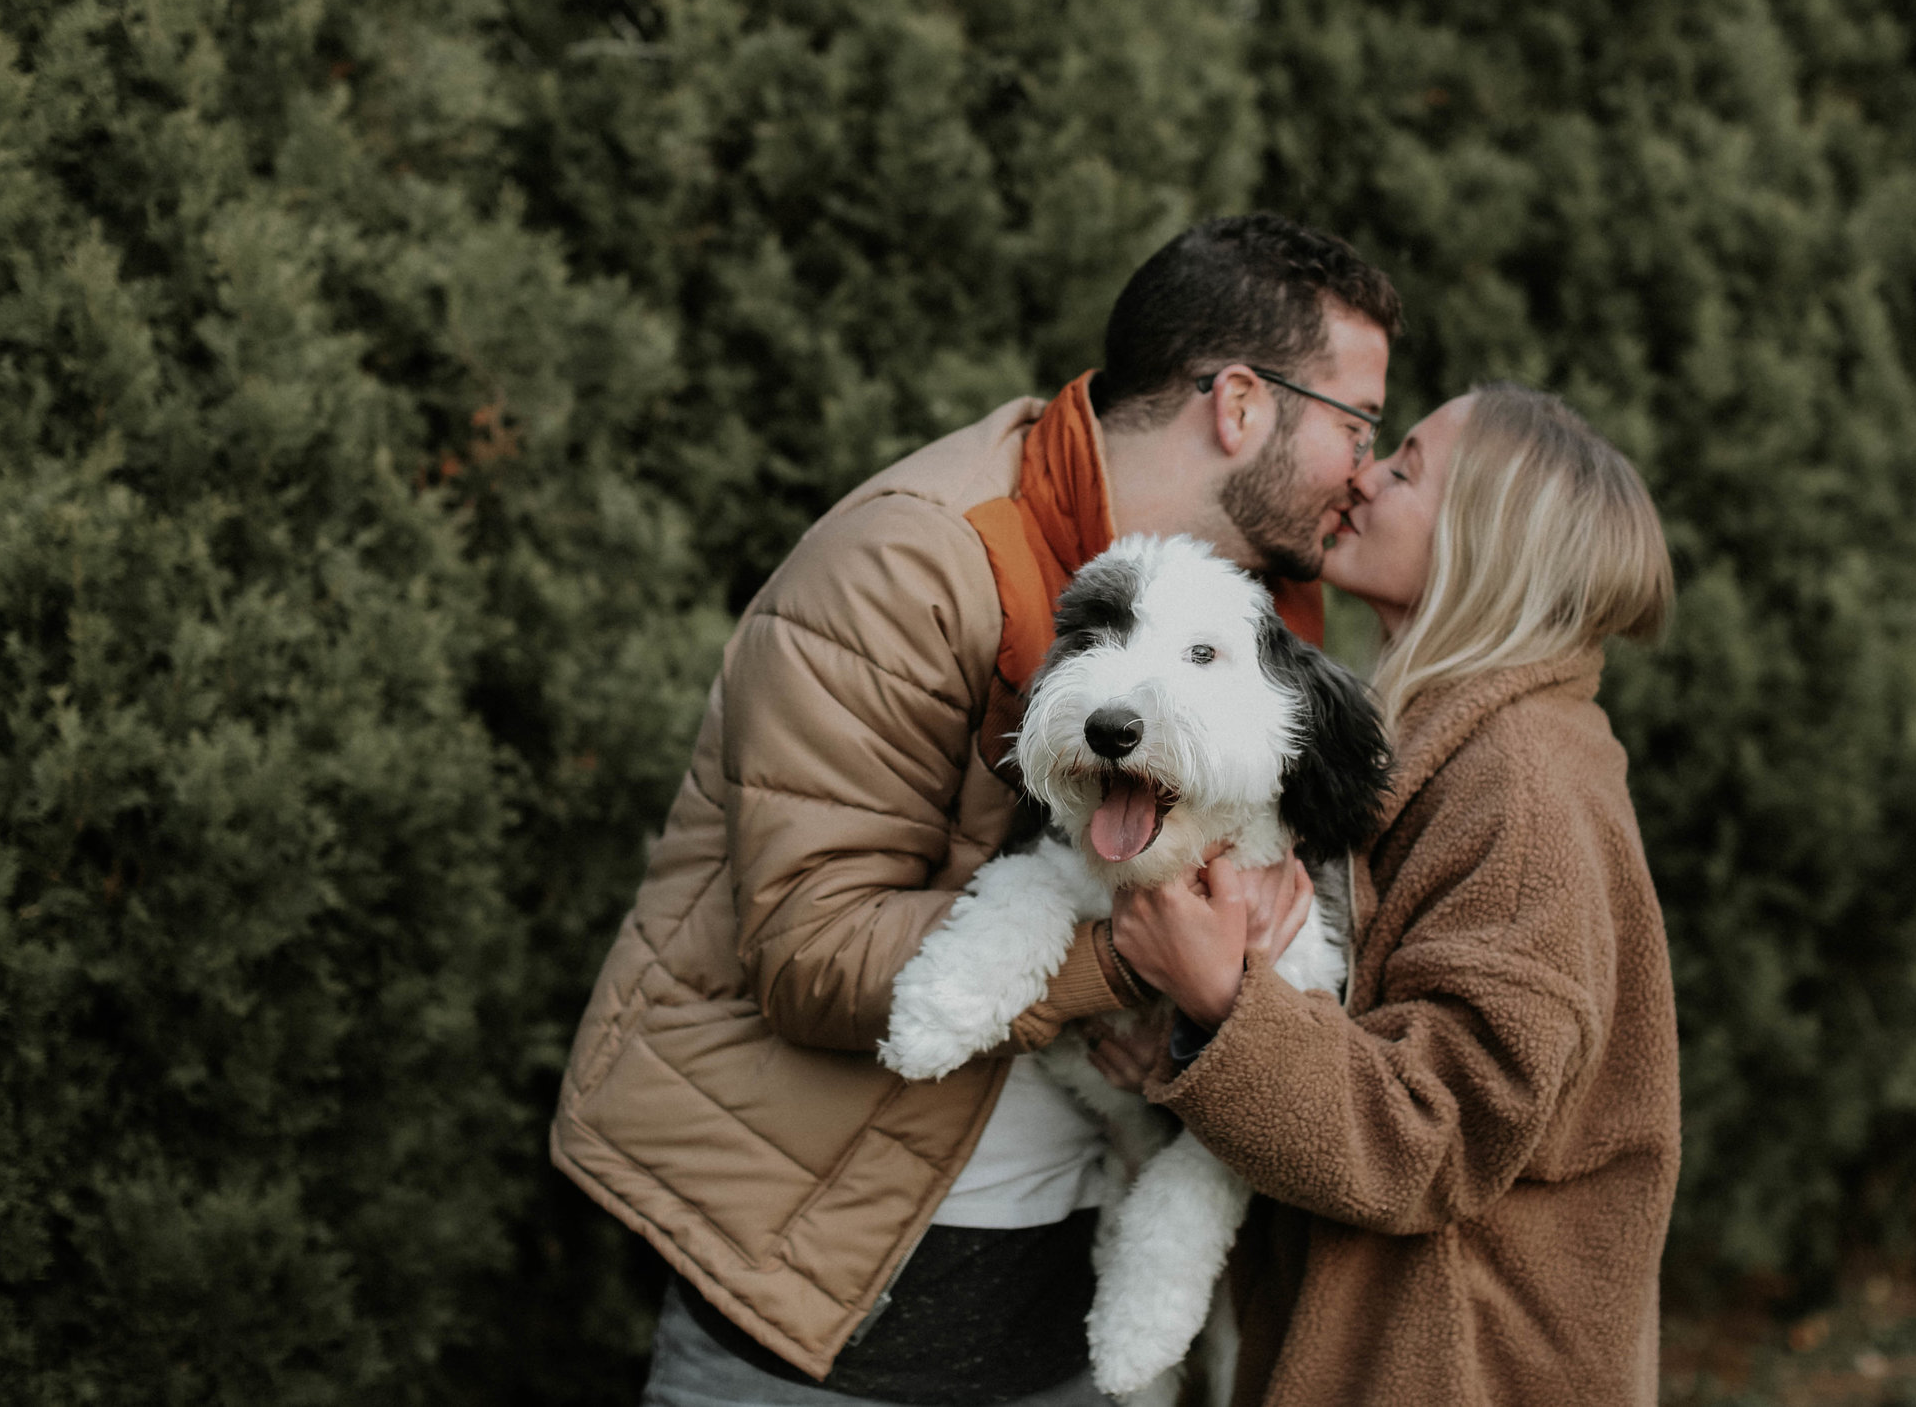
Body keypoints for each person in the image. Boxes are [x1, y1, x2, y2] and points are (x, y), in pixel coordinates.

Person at [551, 215, 1402, 1406]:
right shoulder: (910, 564)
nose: (1369, 469)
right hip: (829, 1309)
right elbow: (809, 952)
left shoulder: (1253, 622)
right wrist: (1127, 952)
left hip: (1073, 1325)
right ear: (1243, 405)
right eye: (1357, 425)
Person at [1098, 383, 1682, 1407]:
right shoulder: (1440, 746)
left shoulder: (1523, 796)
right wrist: (1192, 1048)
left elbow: (1433, 1133)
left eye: (1404, 468)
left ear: (1483, 541)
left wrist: (1222, 1002)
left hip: (1461, 1366)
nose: (1360, 476)